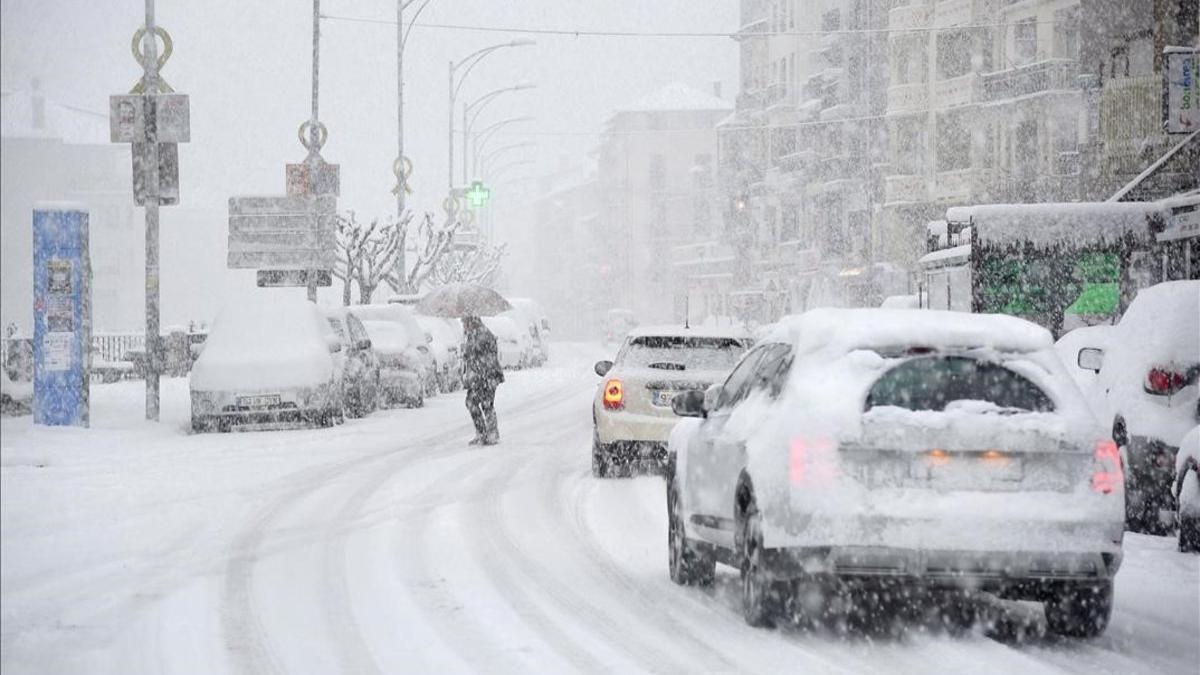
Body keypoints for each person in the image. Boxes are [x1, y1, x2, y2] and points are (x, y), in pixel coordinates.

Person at [461, 315, 504, 445]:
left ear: (471, 322)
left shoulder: (483, 335)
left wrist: (471, 355)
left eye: (465, 323)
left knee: (485, 404)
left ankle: (491, 434)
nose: (463, 326)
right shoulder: (472, 335)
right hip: (478, 377)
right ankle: (483, 433)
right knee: (472, 402)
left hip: (487, 376)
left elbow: (486, 356)